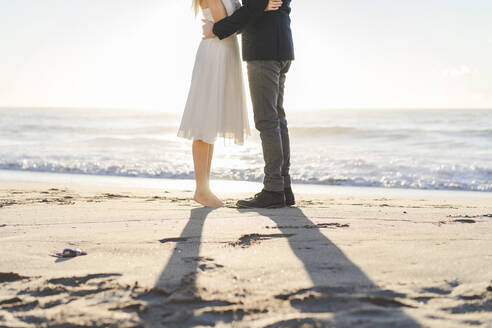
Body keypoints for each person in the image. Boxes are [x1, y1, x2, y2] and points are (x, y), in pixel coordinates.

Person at [177, 0, 283, 207]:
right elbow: (224, 23)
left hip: (226, 51)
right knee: (204, 119)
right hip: (214, 54)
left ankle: (204, 188)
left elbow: (234, 24)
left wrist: (256, 8)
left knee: (211, 122)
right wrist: (259, 6)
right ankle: (201, 189)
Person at [202, 0, 295, 208]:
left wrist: (216, 29)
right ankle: (283, 187)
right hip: (282, 46)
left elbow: (253, 7)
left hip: (264, 50)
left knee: (267, 120)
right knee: (278, 120)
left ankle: (273, 189)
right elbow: (259, 6)